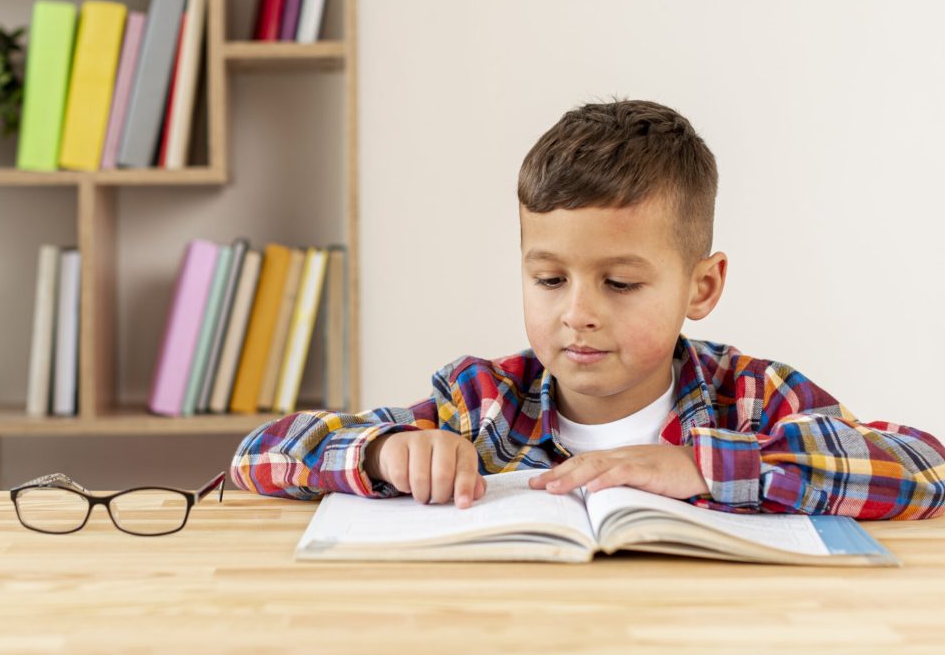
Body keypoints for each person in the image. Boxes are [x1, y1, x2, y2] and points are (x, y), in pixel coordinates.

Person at [230, 98, 945, 519]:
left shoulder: (755, 399)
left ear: (701, 287)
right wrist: (386, 453)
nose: (578, 313)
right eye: (549, 280)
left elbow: (925, 468)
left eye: (620, 284)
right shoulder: (481, 404)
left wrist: (709, 467)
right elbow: (259, 456)